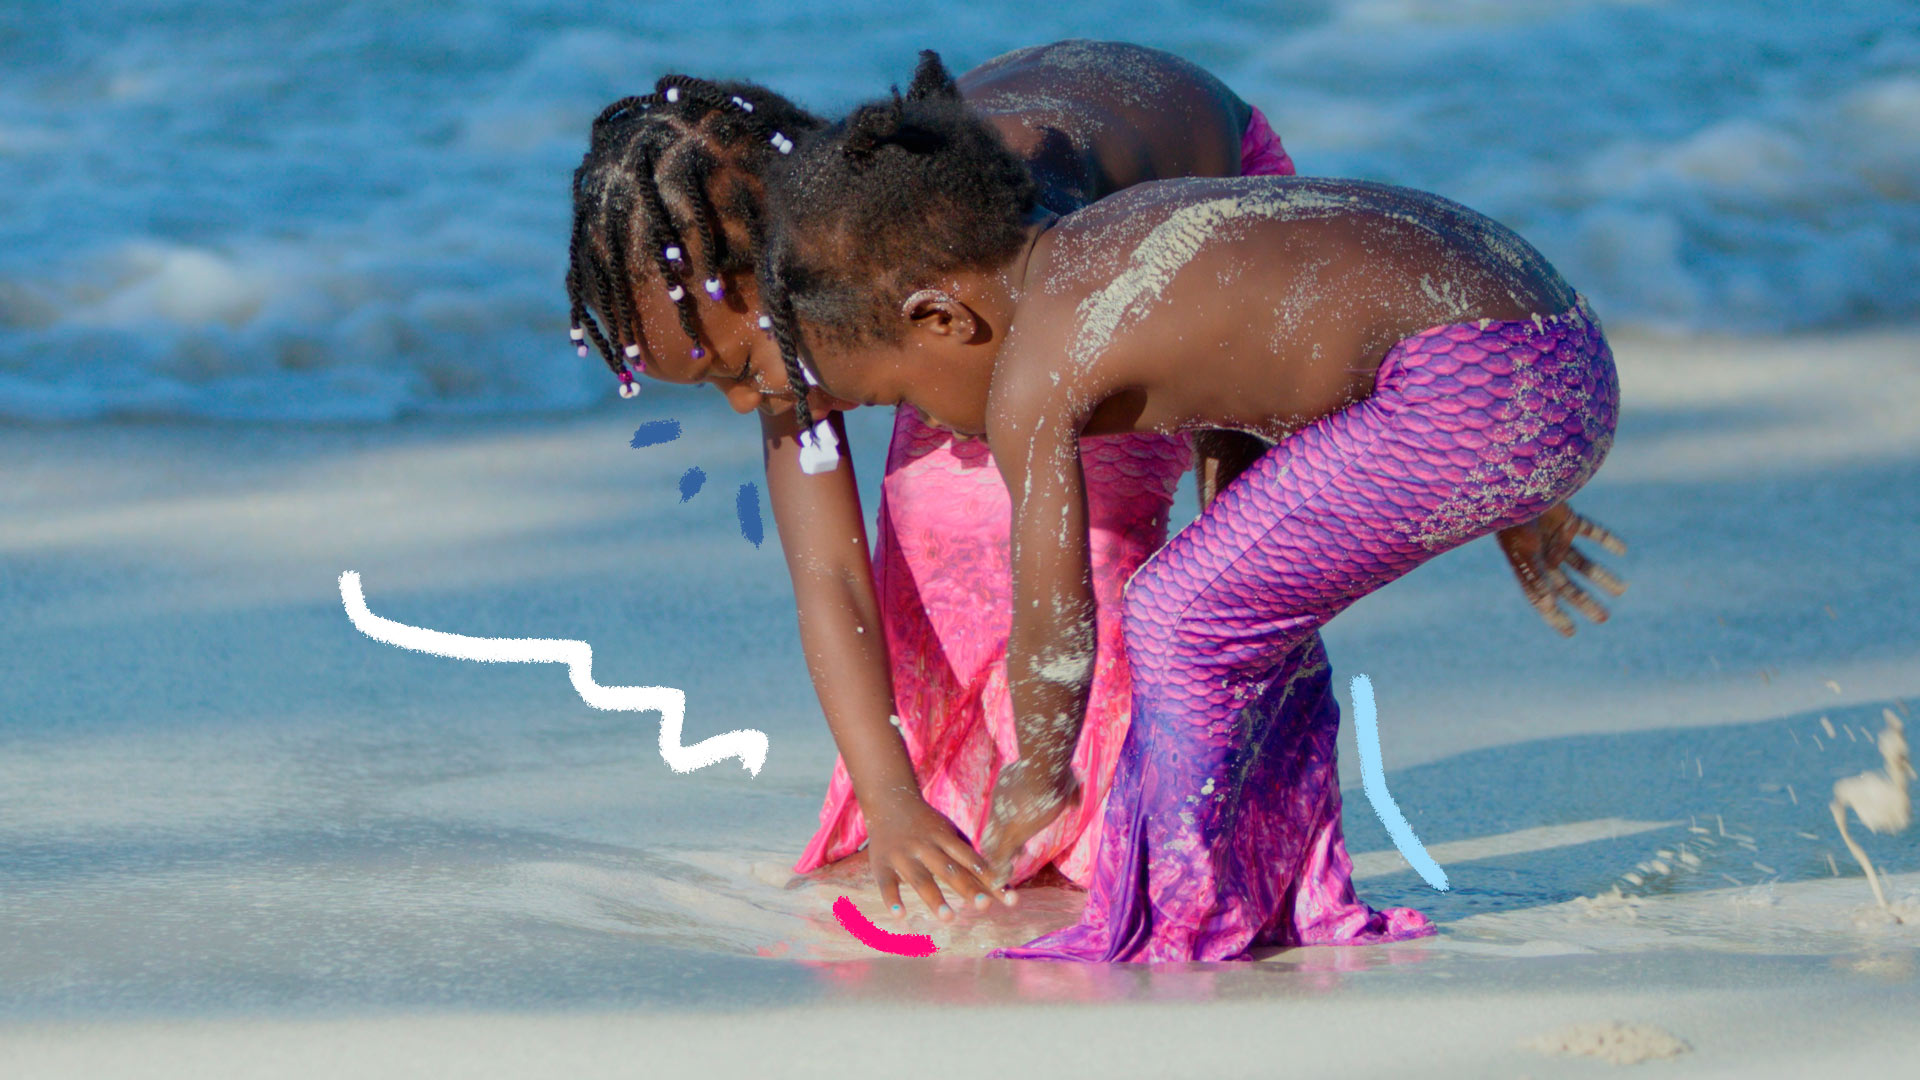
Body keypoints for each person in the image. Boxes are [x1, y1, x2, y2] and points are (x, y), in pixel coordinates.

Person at [753, 61, 1627, 961]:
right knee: (1234, 593)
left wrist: (1039, 772)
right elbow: (1346, 307)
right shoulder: (1106, 245)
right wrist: (1525, 492)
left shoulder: (1033, 369)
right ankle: (1278, 878)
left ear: (941, 316)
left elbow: (1056, 620)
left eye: (907, 397)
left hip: (1475, 386)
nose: (932, 425)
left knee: (1177, 611)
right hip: (1544, 339)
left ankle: (1182, 914)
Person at [563, 43, 1294, 921]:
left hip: (1185, 205)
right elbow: (829, 574)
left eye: (739, 369)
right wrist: (890, 800)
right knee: (934, 522)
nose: (742, 403)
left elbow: (1204, 394)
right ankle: (968, 803)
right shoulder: (784, 305)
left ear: (792, 270)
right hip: (995, 247)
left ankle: (1141, 808)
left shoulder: (973, 237)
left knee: (1100, 541)